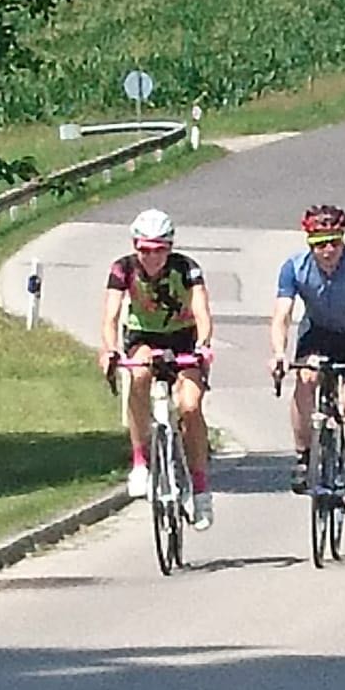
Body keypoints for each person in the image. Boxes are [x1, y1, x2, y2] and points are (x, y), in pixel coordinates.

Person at [268, 204, 345, 519]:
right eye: (321, 243)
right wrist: (279, 353)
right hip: (318, 333)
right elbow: (282, 316)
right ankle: (303, 455)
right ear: (310, 243)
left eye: (335, 242)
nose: (328, 250)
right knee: (306, 379)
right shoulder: (294, 268)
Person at [99, 208, 216, 530]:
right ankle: (140, 461)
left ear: (170, 247)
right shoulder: (123, 268)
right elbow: (110, 316)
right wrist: (109, 349)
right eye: (145, 249)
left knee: (190, 407)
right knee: (139, 374)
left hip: (183, 338)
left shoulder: (186, 268)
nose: (152, 257)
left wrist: (203, 345)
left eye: (160, 249)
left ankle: (200, 486)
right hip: (143, 337)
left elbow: (202, 311)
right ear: (135, 246)